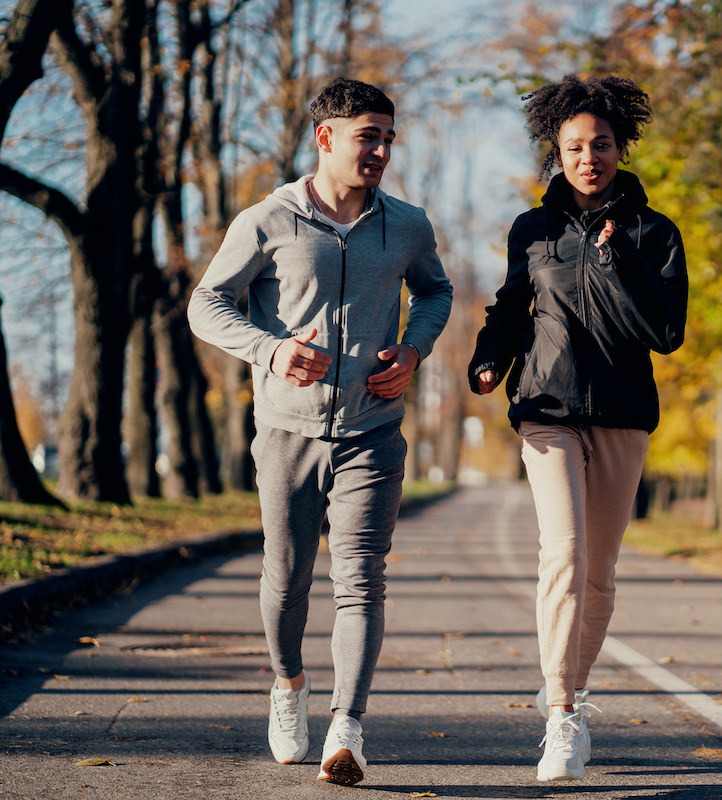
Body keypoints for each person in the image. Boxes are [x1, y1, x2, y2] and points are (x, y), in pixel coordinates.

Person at [188, 77, 452, 786]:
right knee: (288, 575)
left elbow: (435, 290)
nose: (382, 151)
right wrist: (270, 350)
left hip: (372, 428)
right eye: (369, 135)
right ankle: (289, 685)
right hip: (286, 430)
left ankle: (347, 727)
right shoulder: (267, 221)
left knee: (361, 579)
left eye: (389, 138)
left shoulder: (408, 225)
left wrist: (415, 348)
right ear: (326, 138)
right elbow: (206, 305)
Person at [468, 73, 687, 782]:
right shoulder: (533, 230)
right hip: (548, 409)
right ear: (555, 153)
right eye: (573, 146)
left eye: (600, 144)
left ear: (622, 148)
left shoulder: (656, 233)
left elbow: (665, 330)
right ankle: (560, 716)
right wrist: (489, 356)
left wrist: (621, 254)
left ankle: (576, 693)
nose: (587, 157)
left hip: (622, 413)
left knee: (600, 575)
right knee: (563, 554)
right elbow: (510, 306)